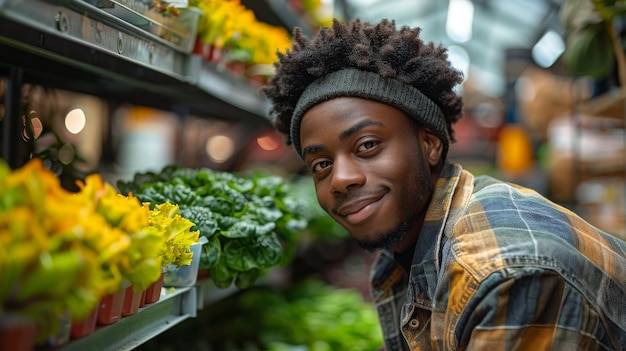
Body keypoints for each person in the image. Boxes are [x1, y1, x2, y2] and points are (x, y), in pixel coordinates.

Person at [261, 18, 626, 351]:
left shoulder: (506, 273)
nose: (340, 179)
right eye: (321, 164)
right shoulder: (414, 244)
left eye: (367, 145)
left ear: (430, 143)